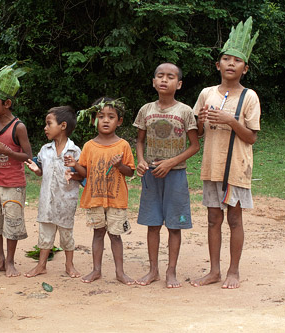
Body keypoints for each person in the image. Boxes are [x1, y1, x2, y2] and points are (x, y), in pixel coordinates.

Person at [190, 17, 260, 289]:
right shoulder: (207, 93)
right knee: (212, 219)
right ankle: (214, 271)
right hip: (211, 166)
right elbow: (199, 129)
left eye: (237, 60)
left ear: (245, 68)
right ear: (217, 65)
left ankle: (233, 271)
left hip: (237, 167)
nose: (231, 63)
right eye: (226, 59)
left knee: (234, 218)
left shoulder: (249, 96)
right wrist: (202, 119)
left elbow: (251, 137)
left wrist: (231, 121)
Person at [134, 63, 199, 287]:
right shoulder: (146, 110)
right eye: (159, 76)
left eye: (170, 77)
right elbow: (140, 140)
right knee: (153, 224)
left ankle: (171, 271)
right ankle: (153, 270)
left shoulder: (185, 111)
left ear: (178, 84)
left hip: (176, 176)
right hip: (151, 175)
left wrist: (171, 163)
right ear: (153, 82)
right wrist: (141, 161)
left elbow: (194, 146)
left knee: (174, 225)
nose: (164, 80)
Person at [65, 97, 135, 285]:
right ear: (94, 119)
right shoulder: (89, 146)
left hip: (116, 200)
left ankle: (120, 272)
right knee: (97, 234)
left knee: (115, 236)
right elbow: (85, 172)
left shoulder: (123, 146)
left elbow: (130, 172)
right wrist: (75, 165)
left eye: (111, 117)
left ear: (119, 121)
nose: (105, 120)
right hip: (94, 199)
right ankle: (96, 270)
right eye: (101, 116)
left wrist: (120, 165)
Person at [0, 63, 32, 277]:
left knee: (12, 223)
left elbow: (28, 156)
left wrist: (7, 151)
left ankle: (10, 261)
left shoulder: (18, 127)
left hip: (13, 185)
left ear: (7, 103)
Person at [24, 106, 82, 278]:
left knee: (66, 235)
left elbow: (82, 175)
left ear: (63, 126)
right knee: (45, 234)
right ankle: (41, 265)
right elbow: (42, 170)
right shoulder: (44, 150)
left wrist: (74, 172)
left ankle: (69, 264)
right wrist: (36, 170)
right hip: (47, 201)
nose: (45, 127)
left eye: (49, 124)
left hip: (66, 201)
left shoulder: (74, 151)